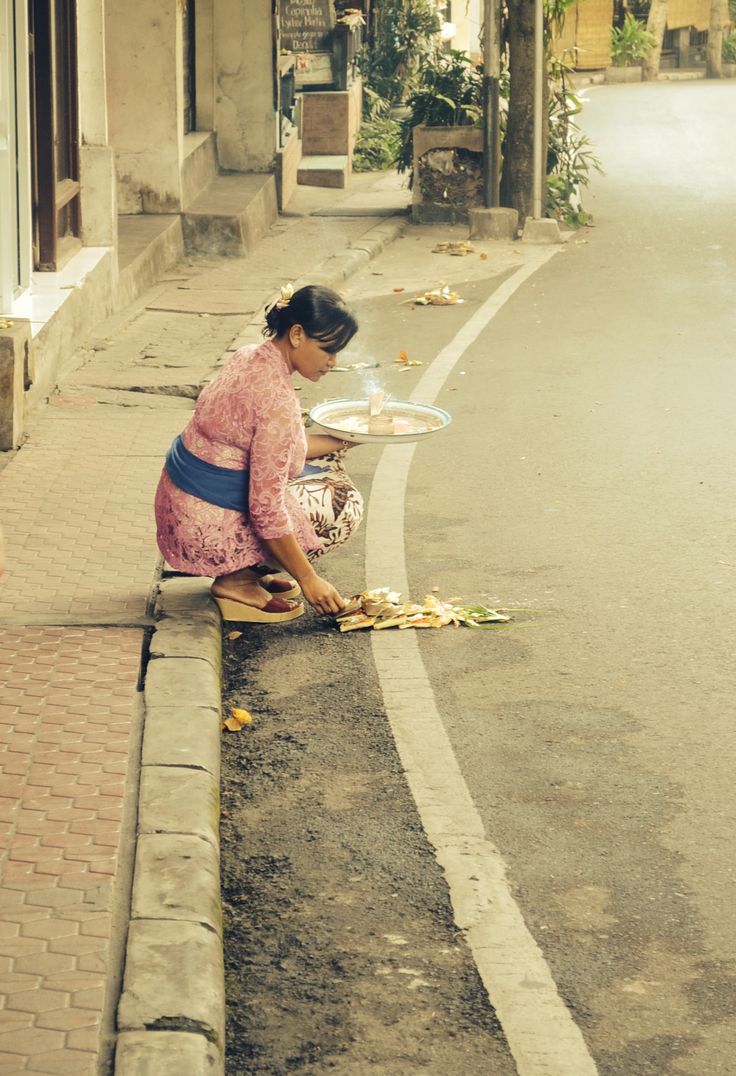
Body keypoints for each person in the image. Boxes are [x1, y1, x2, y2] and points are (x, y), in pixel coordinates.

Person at [154, 284, 363, 623]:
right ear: (297, 334)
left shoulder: (250, 355)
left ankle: (249, 570)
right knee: (341, 503)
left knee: (321, 465)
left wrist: (353, 436)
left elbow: (287, 448)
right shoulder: (276, 400)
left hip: (180, 501)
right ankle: (236, 579)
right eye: (328, 349)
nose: (333, 362)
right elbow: (266, 508)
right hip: (204, 526)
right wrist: (308, 578)